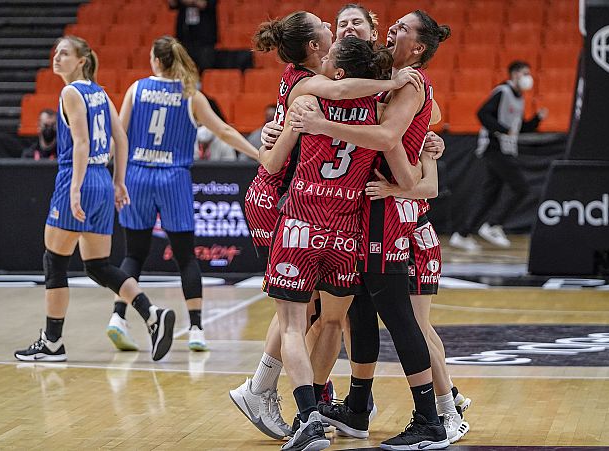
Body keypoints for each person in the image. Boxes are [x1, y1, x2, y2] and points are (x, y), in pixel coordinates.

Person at [229, 9, 423, 442]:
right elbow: (399, 151)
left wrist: (275, 139)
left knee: (310, 318)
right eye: (332, 26)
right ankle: (271, 389)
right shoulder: (369, 105)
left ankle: (308, 408)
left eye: (350, 26)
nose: (339, 29)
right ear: (317, 49)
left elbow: (275, 157)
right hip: (316, 215)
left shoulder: (315, 99)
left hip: (306, 215)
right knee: (316, 316)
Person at [290, 10, 458, 449]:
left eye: (402, 29)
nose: (393, 30)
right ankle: (358, 406)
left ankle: (431, 418)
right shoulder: (397, 76)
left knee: (398, 314)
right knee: (359, 308)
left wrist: (320, 124)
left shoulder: (412, 82)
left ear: (418, 47)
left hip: (385, 210)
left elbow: (386, 137)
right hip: (368, 207)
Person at [14, 36, 175, 363]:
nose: (56, 57)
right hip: (101, 179)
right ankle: (151, 312)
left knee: (55, 261)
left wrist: (74, 189)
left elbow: (82, 143)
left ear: (82, 60)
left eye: (64, 53)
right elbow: (121, 138)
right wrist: (117, 182)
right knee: (98, 266)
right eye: (56, 51)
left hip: (81, 176)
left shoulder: (71, 92)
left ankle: (53, 343)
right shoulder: (99, 92)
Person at [106, 36, 259, 353]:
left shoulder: (136, 89)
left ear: (156, 62)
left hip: (136, 175)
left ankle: (118, 318)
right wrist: (259, 155)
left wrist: (113, 176)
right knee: (185, 256)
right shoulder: (191, 95)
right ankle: (196, 329)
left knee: (133, 254)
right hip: (172, 178)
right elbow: (224, 132)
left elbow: (118, 137)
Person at [449, 60, 548, 251]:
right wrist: (501, 130)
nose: (528, 77)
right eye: (524, 73)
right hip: (494, 148)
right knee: (522, 188)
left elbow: (519, 128)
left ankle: (462, 234)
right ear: (514, 74)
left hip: (507, 149)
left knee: (489, 195)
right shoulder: (502, 91)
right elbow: (482, 114)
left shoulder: (519, 98)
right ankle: (493, 225)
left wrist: (536, 120)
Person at [168, 0, 217, 72]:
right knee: (183, 67)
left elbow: (203, 3)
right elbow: (172, 4)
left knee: (204, 66)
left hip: (205, 37)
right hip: (185, 35)